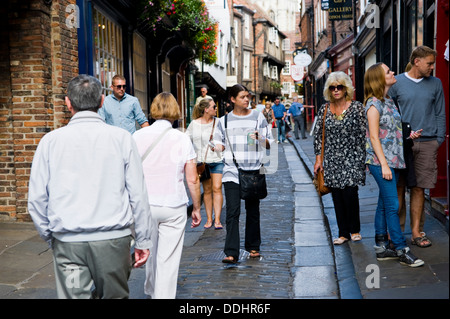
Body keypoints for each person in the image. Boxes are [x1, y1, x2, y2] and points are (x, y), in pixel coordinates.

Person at [28, 75, 151, 299]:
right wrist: (143, 239)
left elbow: (36, 199)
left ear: (68, 102)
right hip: (113, 239)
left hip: (68, 240)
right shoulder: (122, 138)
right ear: (102, 101)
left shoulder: (50, 142)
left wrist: (50, 236)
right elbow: (138, 195)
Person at [133, 92, 201, 299]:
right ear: (175, 111)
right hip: (173, 204)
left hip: (145, 205)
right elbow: (192, 179)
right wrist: (197, 208)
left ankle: (152, 289)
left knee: (148, 251)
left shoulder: (136, 137)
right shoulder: (181, 139)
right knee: (168, 258)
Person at [364, 63, 425, 267]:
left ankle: (382, 246)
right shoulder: (374, 105)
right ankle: (400, 249)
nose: (392, 72)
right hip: (381, 162)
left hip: (393, 161)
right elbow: (373, 138)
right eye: (388, 71)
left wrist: (408, 136)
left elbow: (389, 132)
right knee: (393, 205)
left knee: (384, 204)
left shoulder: (388, 100)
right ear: (379, 79)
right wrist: (383, 165)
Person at [389, 46, 446, 248]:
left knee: (419, 188)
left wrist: (438, 139)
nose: (432, 67)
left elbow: (440, 112)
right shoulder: (396, 84)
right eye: (429, 63)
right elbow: (388, 114)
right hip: (402, 145)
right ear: (417, 62)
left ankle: (416, 232)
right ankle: (395, 233)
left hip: (427, 142)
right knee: (398, 187)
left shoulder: (435, 84)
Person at [213, 84, 274, 263]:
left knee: (253, 210)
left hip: (253, 169)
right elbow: (217, 142)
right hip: (232, 171)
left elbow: (270, 141)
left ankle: (253, 247)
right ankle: (231, 252)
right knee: (232, 211)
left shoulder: (257, 117)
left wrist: (261, 139)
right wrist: (218, 147)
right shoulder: (222, 121)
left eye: (248, 96)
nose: (247, 100)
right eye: (242, 97)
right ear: (232, 100)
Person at [313, 71, 366, 245]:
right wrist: (318, 160)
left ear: (346, 88)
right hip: (331, 159)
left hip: (352, 157)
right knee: (337, 196)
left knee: (350, 193)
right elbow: (317, 136)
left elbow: (364, 133)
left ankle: (355, 230)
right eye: (332, 87)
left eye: (339, 87)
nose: (336, 90)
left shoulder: (357, 107)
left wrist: (364, 157)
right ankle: (343, 233)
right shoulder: (325, 109)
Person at [186, 97, 224, 230]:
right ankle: (209, 219)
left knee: (217, 188)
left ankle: (217, 219)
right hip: (202, 163)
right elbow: (185, 141)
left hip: (217, 160)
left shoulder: (219, 122)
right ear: (206, 109)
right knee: (207, 191)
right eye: (214, 107)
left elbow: (225, 141)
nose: (216, 109)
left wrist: (219, 146)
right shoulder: (194, 124)